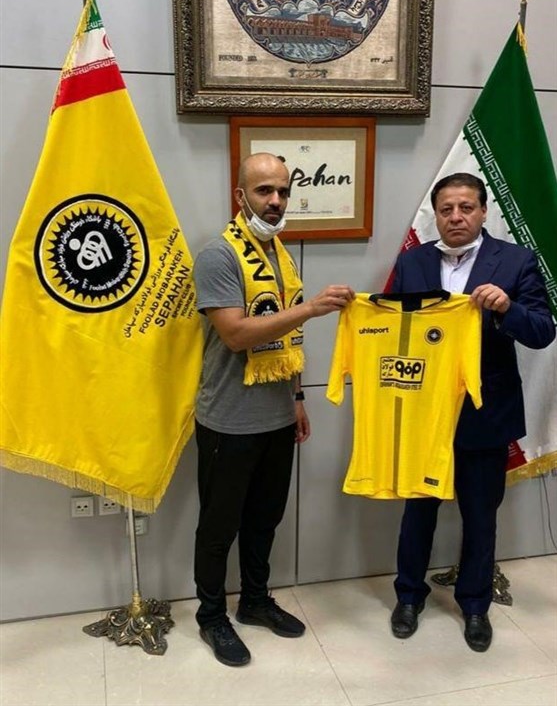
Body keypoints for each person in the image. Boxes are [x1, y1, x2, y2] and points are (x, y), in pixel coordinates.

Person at [192, 152, 355, 667]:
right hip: (228, 419)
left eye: (283, 190)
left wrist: (298, 397)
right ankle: (211, 616)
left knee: (265, 519)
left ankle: (255, 601)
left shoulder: (278, 255)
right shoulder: (220, 255)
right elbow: (236, 334)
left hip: (277, 416)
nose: (276, 200)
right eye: (265, 190)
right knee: (219, 527)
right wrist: (310, 308)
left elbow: (286, 339)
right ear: (241, 196)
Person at [389, 172, 555, 652]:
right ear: (436, 215)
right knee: (417, 512)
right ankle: (408, 597)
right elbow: (392, 329)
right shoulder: (413, 261)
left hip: (487, 413)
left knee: (481, 516)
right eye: (446, 209)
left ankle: (476, 605)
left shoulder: (516, 261)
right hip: (424, 414)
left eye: (466, 207)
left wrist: (507, 308)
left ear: (483, 211)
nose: (456, 217)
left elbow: (543, 331)